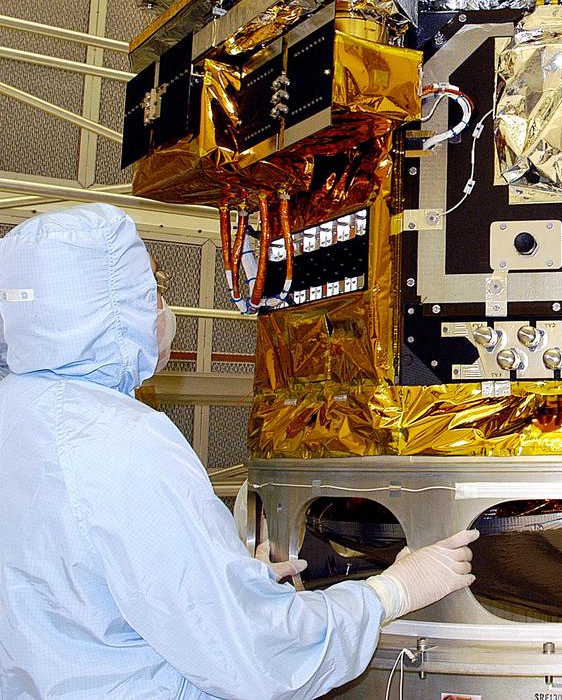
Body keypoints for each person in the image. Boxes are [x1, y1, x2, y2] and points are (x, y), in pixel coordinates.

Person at [0, 204, 477, 699]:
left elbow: (68, 586)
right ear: (111, 307)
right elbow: (256, 657)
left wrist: (223, 581)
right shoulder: (121, 441)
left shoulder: (16, 412)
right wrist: (387, 593)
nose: (160, 306)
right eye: (151, 289)